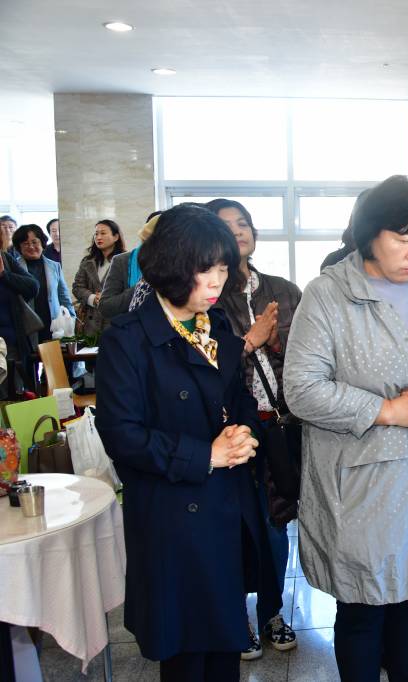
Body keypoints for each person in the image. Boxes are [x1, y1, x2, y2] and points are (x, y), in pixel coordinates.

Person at [284, 175, 408, 682]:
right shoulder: (328, 295)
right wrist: (388, 411)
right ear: (370, 234)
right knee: (364, 608)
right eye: (403, 238)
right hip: (364, 480)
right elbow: (301, 388)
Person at [95, 204, 280, 681]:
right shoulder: (128, 340)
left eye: (223, 267)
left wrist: (243, 432)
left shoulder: (216, 328)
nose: (218, 280)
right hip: (172, 516)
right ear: (173, 266)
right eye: (205, 269)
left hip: (226, 506)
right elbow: (122, 435)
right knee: (185, 655)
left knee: (224, 647)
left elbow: (237, 397)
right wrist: (206, 455)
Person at [206, 198, 301, 660]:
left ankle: (272, 612)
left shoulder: (283, 290)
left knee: (275, 522)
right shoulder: (204, 296)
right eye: (226, 226)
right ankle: (235, 616)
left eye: (243, 223)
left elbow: (311, 360)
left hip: (279, 425)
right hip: (228, 432)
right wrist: (250, 342)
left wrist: (283, 346)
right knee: (233, 527)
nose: (238, 231)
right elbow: (202, 367)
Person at [12, 224, 75, 341]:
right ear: (19, 247)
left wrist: (71, 320)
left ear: (42, 242)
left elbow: (64, 297)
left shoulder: (54, 266)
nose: (31, 247)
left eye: (34, 242)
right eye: (25, 243)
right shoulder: (13, 268)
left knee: (54, 358)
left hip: (53, 325)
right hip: (26, 326)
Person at [99, 210, 161, 319]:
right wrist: (144, 285)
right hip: (133, 331)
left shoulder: (179, 265)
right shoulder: (122, 261)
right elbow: (106, 307)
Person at [72, 219, 125, 337]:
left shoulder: (126, 260)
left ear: (116, 237)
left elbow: (130, 290)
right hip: (91, 323)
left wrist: (107, 298)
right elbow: (77, 287)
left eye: (103, 233)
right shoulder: (87, 262)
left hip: (115, 322)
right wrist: (92, 298)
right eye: (96, 234)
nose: (98, 237)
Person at [0, 244, 39, 393]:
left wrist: (5, 274)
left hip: (10, 345)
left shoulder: (5, 259)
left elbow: (33, 287)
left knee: (12, 397)